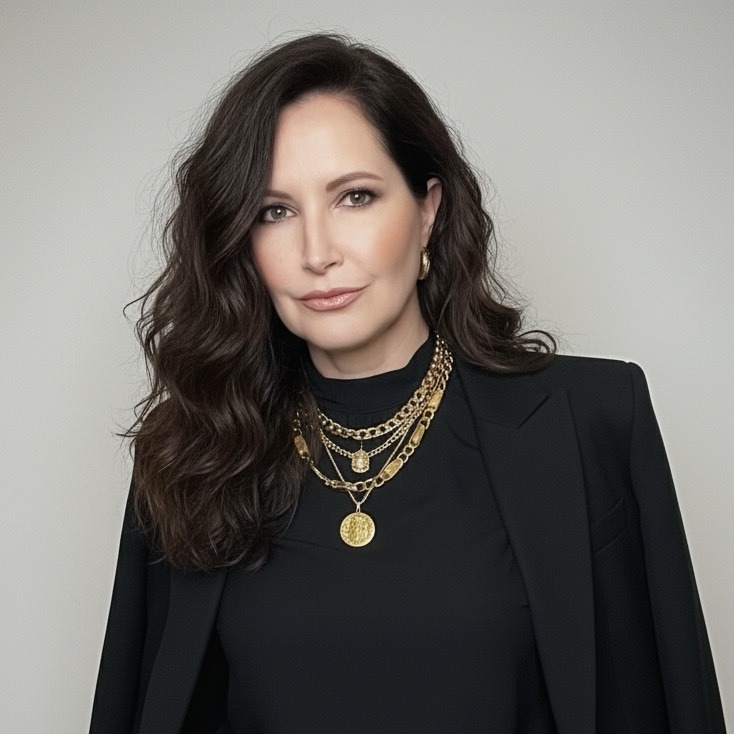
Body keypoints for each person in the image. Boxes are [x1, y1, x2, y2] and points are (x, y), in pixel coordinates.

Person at [90, 33, 725, 734]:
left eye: (355, 197)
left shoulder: (593, 419)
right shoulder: (192, 448)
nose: (317, 252)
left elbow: (669, 702)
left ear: (428, 211)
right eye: (275, 211)